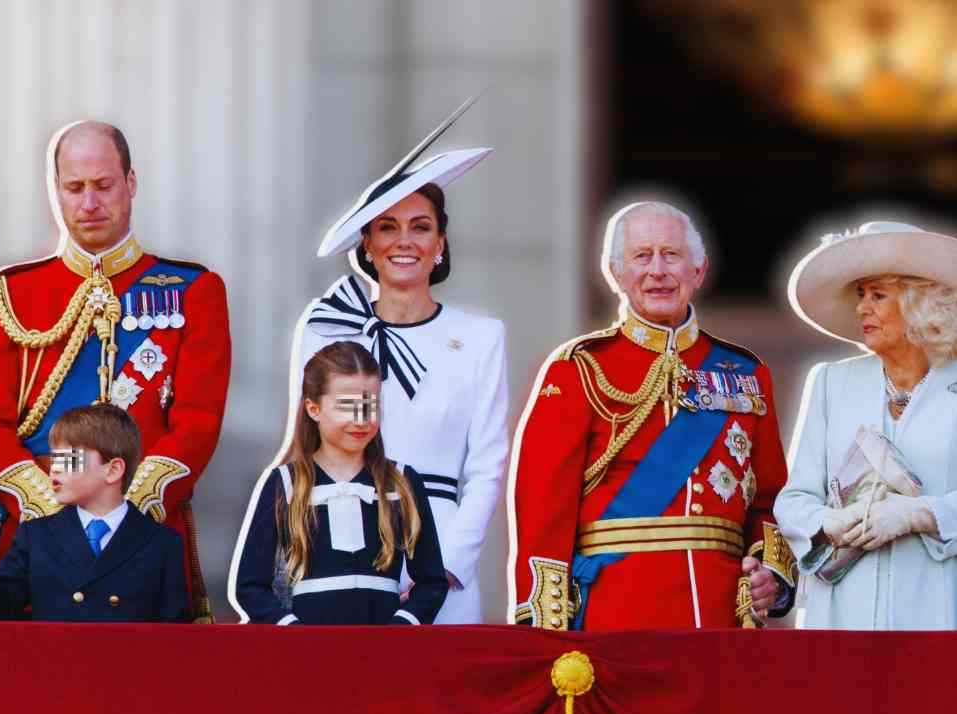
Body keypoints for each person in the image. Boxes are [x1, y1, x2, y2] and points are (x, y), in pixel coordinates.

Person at [0, 120, 230, 622]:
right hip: (36, 539)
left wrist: (128, 511)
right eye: (74, 188)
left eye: (103, 185)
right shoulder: (9, 294)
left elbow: (198, 422)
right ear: (55, 191)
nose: (89, 204)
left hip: (145, 541)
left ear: (131, 183)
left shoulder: (194, 290)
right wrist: (48, 511)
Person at [511, 202, 796, 630]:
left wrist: (770, 574)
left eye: (672, 255)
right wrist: (546, 633)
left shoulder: (746, 374)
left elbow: (770, 500)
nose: (658, 271)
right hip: (614, 615)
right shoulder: (578, 368)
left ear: (699, 271)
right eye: (642, 256)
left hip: (721, 619)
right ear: (616, 273)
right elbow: (542, 509)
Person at [279, 100, 508, 624]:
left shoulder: (480, 337)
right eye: (388, 226)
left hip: (442, 540)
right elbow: (302, 439)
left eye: (420, 226)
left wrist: (443, 568)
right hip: (338, 539)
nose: (404, 240)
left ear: (441, 244)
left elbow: (488, 463)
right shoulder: (326, 326)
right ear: (368, 243)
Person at [775, 221, 957, 630]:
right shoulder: (830, 382)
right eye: (860, 295)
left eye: (878, 295)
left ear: (921, 303)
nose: (861, 307)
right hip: (842, 609)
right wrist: (826, 523)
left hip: (946, 608)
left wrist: (916, 514)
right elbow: (793, 499)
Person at [234, 342, 447, 625]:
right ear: (313, 409)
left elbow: (431, 581)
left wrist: (402, 626)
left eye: (369, 405)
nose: (360, 420)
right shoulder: (284, 483)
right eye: (346, 406)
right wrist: (291, 630)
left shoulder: (403, 481)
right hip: (309, 655)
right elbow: (250, 587)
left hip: (386, 654)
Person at [0, 404, 188, 622]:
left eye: (69, 459)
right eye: (54, 459)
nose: (54, 468)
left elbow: (173, 640)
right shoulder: (36, 536)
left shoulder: (162, 544)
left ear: (113, 470)